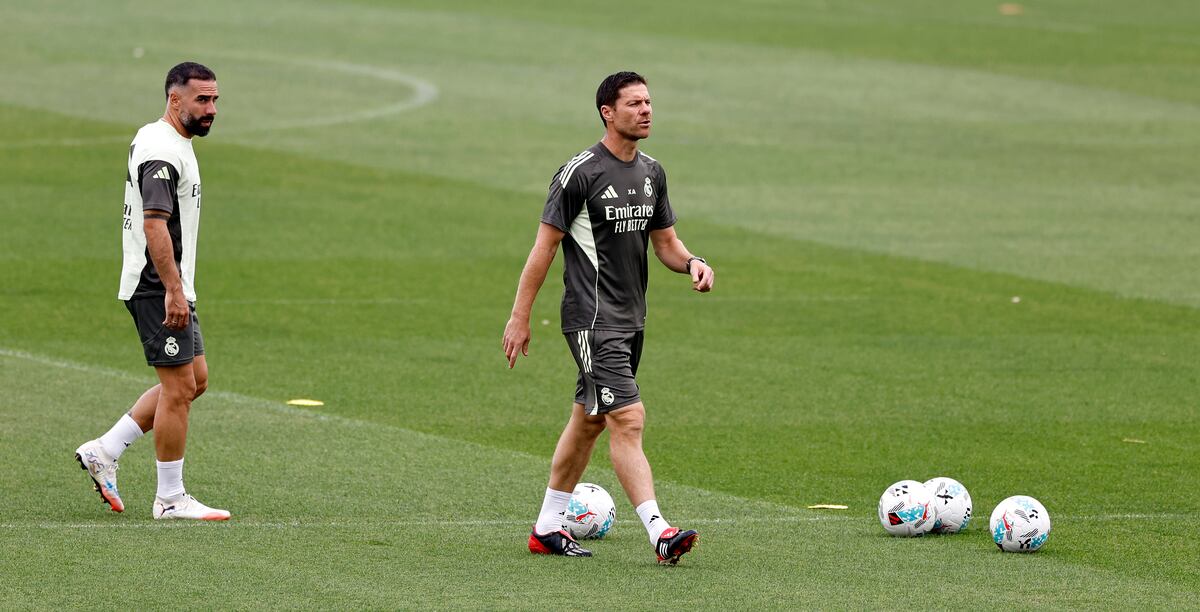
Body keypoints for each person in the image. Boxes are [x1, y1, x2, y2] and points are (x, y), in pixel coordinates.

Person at [502, 71, 714, 564]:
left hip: (631, 320)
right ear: (607, 111)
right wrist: (520, 317)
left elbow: (665, 243)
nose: (646, 110)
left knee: (591, 420)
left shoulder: (652, 172)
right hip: (591, 319)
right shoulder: (579, 173)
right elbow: (543, 249)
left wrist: (692, 262)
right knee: (628, 418)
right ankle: (660, 533)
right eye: (635, 103)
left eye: (649, 102)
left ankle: (548, 528)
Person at [74, 62, 229, 521]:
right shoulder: (161, 150)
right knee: (179, 387)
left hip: (168, 284)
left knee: (194, 381)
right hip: (157, 286)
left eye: (215, 99)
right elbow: (154, 223)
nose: (211, 109)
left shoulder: (165, 140)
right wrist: (173, 291)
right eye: (202, 99)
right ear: (174, 98)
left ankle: (104, 450)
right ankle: (170, 498)